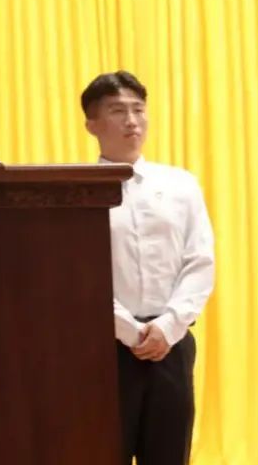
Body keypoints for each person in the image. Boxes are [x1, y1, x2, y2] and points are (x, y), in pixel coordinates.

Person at [81, 70, 215, 465]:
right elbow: (81, 277)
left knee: (170, 454)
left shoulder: (181, 185)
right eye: (117, 111)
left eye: (138, 109)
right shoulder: (77, 191)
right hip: (104, 346)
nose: (132, 121)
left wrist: (167, 326)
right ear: (92, 124)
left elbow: (200, 261)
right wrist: (130, 330)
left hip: (170, 344)